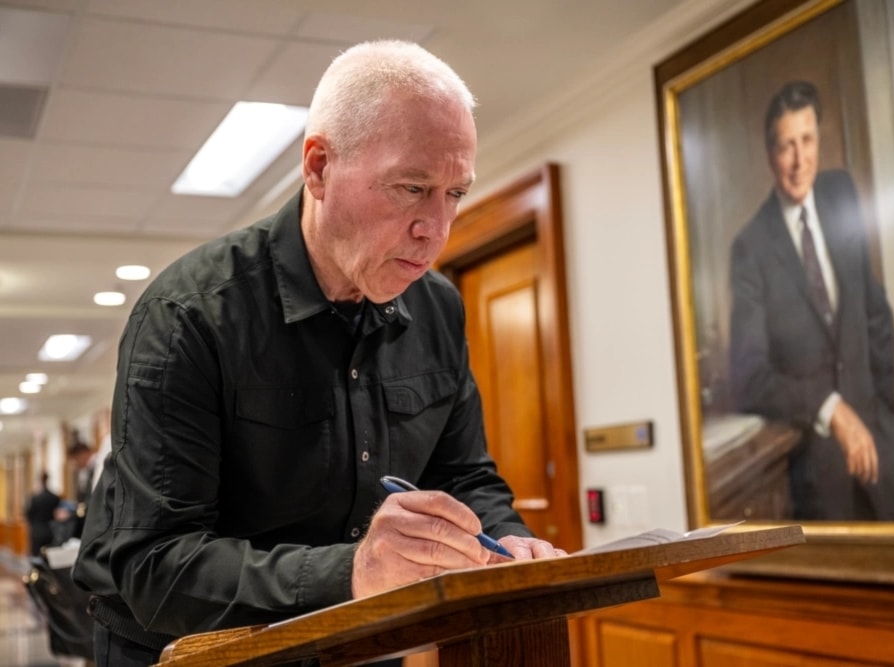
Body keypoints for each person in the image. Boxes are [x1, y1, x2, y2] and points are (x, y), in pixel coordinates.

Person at [72, 40, 564, 667]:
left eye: (455, 194)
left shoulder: (438, 307)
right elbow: (155, 566)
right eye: (411, 188)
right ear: (318, 168)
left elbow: (461, 475)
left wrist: (510, 542)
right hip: (185, 649)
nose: (436, 231)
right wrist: (352, 572)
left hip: (357, 638)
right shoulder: (188, 314)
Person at [728, 80, 894, 521]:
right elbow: (750, 378)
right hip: (818, 481)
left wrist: (881, 409)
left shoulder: (840, 192)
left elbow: (874, 311)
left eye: (807, 141)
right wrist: (832, 410)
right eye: (786, 147)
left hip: (884, 455)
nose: (799, 161)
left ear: (819, 139)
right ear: (769, 156)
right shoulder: (750, 247)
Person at [25, 472, 61, 556]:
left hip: (37, 531)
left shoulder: (35, 498)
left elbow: (29, 514)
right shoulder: (54, 497)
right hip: (50, 530)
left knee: (36, 556)